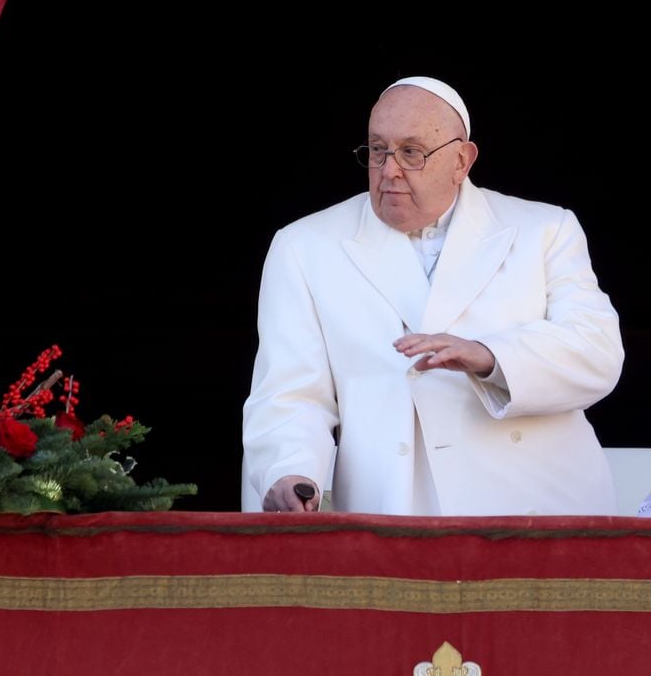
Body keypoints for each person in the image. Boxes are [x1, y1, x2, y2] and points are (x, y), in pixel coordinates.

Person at [241, 76, 624, 516]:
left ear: (462, 159)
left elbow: (598, 352)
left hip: (538, 502)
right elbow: (288, 392)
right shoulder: (304, 246)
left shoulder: (545, 229)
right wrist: (290, 471)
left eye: (411, 152)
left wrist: (489, 355)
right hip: (395, 508)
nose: (389, 170)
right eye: (378, 150)